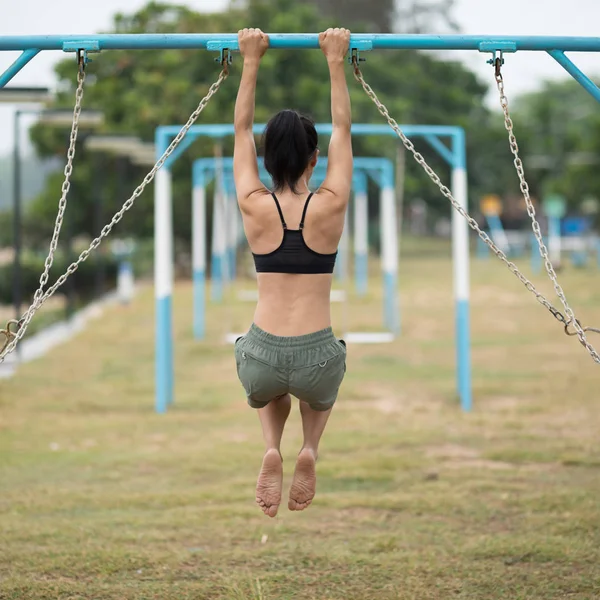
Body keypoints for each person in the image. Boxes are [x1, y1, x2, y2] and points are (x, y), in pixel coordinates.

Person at [233, 27, 353, 517]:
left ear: (265, 159)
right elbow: (343, 128)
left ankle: (270, 446)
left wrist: (250, 61)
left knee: (270, 381)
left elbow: (240, 130)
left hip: (260, 353)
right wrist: (334, 61)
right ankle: (309, 449)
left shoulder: (253, 203)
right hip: (317, 357)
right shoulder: (330, 205)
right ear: (314, 157)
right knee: (315, 386)